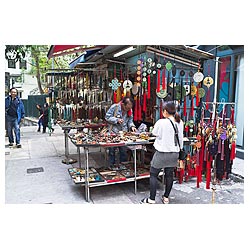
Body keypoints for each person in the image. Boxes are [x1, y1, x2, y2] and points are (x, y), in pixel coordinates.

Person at [140, 101, 184, 204]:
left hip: (162, 153)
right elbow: (180, 138)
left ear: (165, 111)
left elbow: (154, 133)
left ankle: (151, 199)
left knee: (153, 174)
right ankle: (166, 198)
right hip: (174, 153)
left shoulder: (161, 122)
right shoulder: (180, 122)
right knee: (169, 175)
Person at [105, 97, 137, 167]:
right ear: (123, 104)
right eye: (127, 108)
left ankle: (123, 167)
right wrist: (116, 120)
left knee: (123, 151)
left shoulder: (130, 110)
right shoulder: (115, 107)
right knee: (112, 151)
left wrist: (132, 126)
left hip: (123, 133)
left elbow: (130, 121)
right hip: (113, 132)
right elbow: (107, 117)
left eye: (129, 108)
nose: (128, 110)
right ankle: (111, 166)